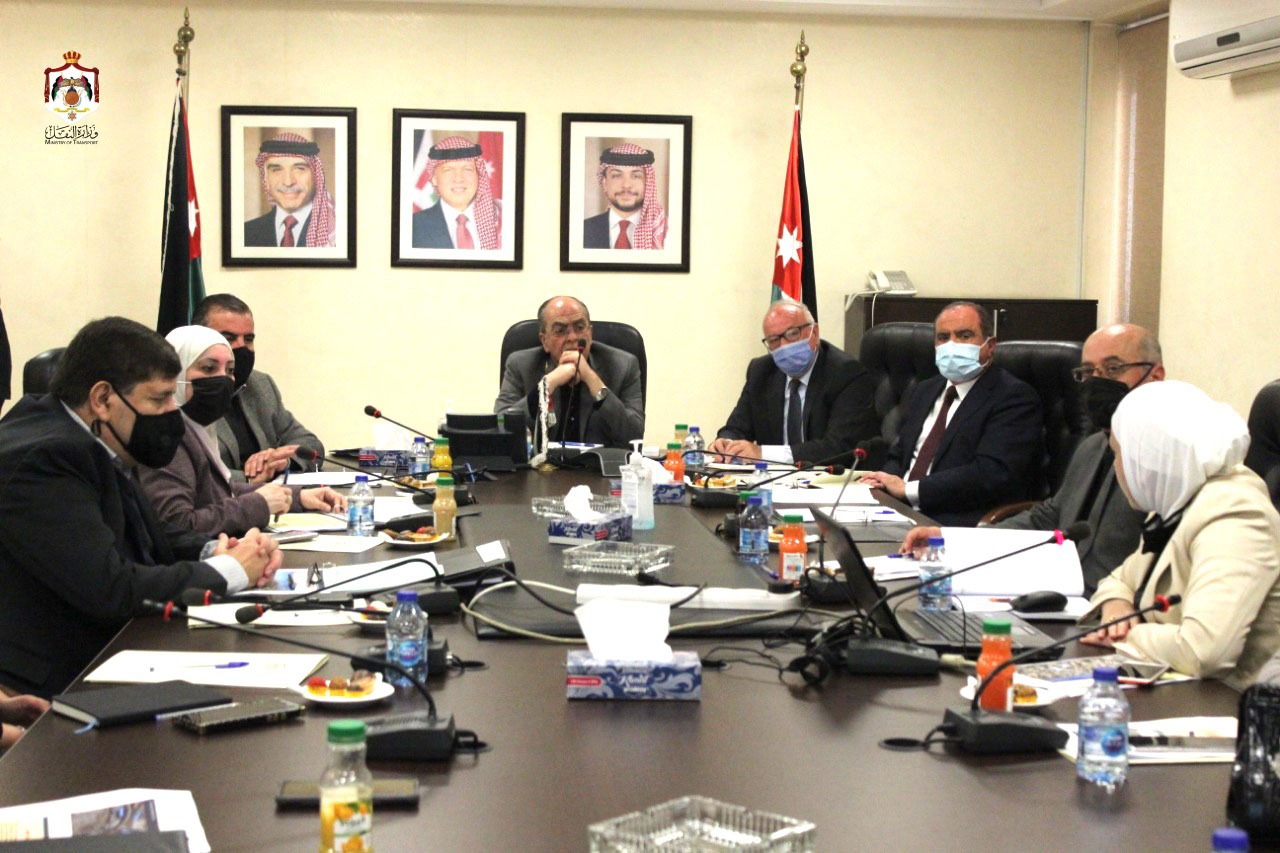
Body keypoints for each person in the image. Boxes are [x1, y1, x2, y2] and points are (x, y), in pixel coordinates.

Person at [0, 317, 281, 698]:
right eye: (158, 399)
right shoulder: (47, 457)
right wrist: (230, 571)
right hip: (55, 683)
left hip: (108, 651)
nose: (172, 411)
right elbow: (109, 588)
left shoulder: (84, 434)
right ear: (103, 399)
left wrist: (211, 549)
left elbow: (141, 528)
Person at [898, 323, 1163, 592]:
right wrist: (951, 540)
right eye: (1087, 372)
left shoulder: (1166, 459)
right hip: (1058, 588)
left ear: (1155, 376)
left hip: (1113, 602)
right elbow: (1047, 517)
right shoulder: (1092, 447)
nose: (1097, 381)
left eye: (1113, 368)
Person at [1081, 381, 1280, 690]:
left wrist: (1128, 632)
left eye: (1119, 454)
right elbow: (1121, 579)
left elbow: (1204, 652)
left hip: (1229, 701)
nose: (1117, 466)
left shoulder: (1235, 515)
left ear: (1149, 459)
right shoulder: (1179, 499)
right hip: (1176, 685)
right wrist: (1116, 606)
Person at [137, 326, 346, 538]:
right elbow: (178, 524)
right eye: (208, 368)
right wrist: (260, 504)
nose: (223, 379)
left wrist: (296, 497)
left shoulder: (197, 428)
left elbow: (220, 492)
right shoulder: (165, 436)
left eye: (229, 370)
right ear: (175, 375)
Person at [860, 301, 1043, 526]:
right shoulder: (925, 390)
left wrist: (909, 490)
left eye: (964, 336)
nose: (952, 345)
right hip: (894, 511)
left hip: (954, 519)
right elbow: (899, 454)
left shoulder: (1013, 397)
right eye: (943, 337)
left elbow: (991, 474)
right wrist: (883, 482)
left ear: (990, 345)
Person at [708, 301, 878, 466]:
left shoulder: (846, 373)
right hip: (773, 479)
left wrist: (762, 454)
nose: (784, 346)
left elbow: (839, 447)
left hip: (830, 478)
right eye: (774, 340)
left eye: (792, 334)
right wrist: (726, 443)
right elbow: (737, 427)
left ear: (814, 332)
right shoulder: (761, 371)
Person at [194, 293, 324, 482]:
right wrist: (251, 479)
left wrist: (282, 461)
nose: (241, 347)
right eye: (229, 338)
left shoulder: (260, 384)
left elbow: (311, 444)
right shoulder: (186, 390)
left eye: (248, 339)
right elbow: (193, 473)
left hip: (274, 496)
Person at [495, 295, 644, 450]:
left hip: (599, 464)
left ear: (590, 333)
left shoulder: (623, 365)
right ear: (544, 340)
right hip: (541, 464)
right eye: (560, 331)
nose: (572, 337)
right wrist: (546, 386)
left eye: (580, 328)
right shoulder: (521, 365)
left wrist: (592, 379)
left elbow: (634, 435)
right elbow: (501, 428)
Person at [244, 132, 337, 248]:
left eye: (299, 169)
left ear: (316, 176)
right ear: (266, 179)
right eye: (276, 170)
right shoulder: (245, 233)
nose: (288, 182)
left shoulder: (337, 233)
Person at [411, 136, 501, 250]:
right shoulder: (413, 227)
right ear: (434, 178)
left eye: (467, 169)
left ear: (479, 175)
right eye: (448, 170)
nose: (459, 178)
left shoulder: (502, 222)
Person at [583, 143, 667, 250]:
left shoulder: (666, 233)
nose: (626, 185)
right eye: (616, 176)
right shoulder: (582, 230)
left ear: (648, 183)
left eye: (636, 176)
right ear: (604, 183)